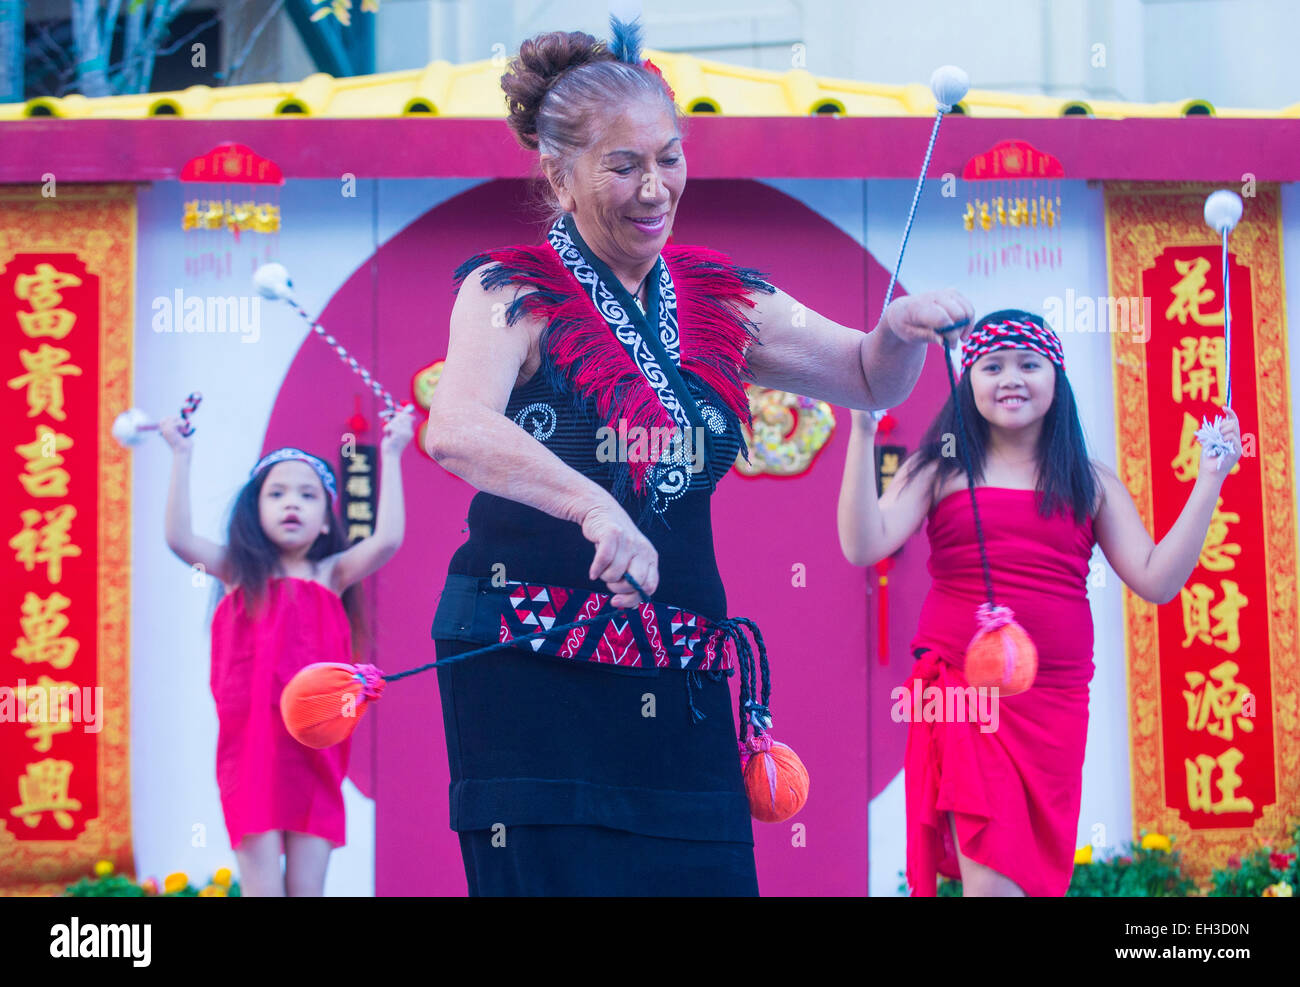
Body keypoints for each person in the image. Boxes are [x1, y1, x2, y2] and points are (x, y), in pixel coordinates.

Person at [424, 17, 974, 896]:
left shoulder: (721, 298)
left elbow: (869, 377)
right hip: (527, 667)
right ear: (559, 174)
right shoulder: (509, 291)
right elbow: (455, 425)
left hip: (674, 666)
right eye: (623, 165)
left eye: (669, 157)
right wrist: (594, 505)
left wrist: (899, 332)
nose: (655, 188)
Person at [836, 309, 1242, 896]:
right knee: (992, 881)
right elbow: (862, 543)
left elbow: (1156, 580)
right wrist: (863, 434)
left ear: (1057, 378)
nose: (1011, 379)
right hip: (966, 695)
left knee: (1030, 882)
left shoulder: (1090, 481)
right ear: (967, 378)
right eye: (992, 365)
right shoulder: (939, 467)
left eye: (1030, 364)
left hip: (1055, 704)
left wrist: (1210, 480)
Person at [161, 409, 415, 895]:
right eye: (276, 494)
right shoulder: (237, 573)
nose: (291, 503)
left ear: (326, 522)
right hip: (251, 754)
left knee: (306, 888)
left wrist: (392, 452)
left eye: (307, 494)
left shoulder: (330, 574)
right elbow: (179, 539)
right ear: (254, 512)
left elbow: (387, 540)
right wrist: (181, 454)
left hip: (313, 756)